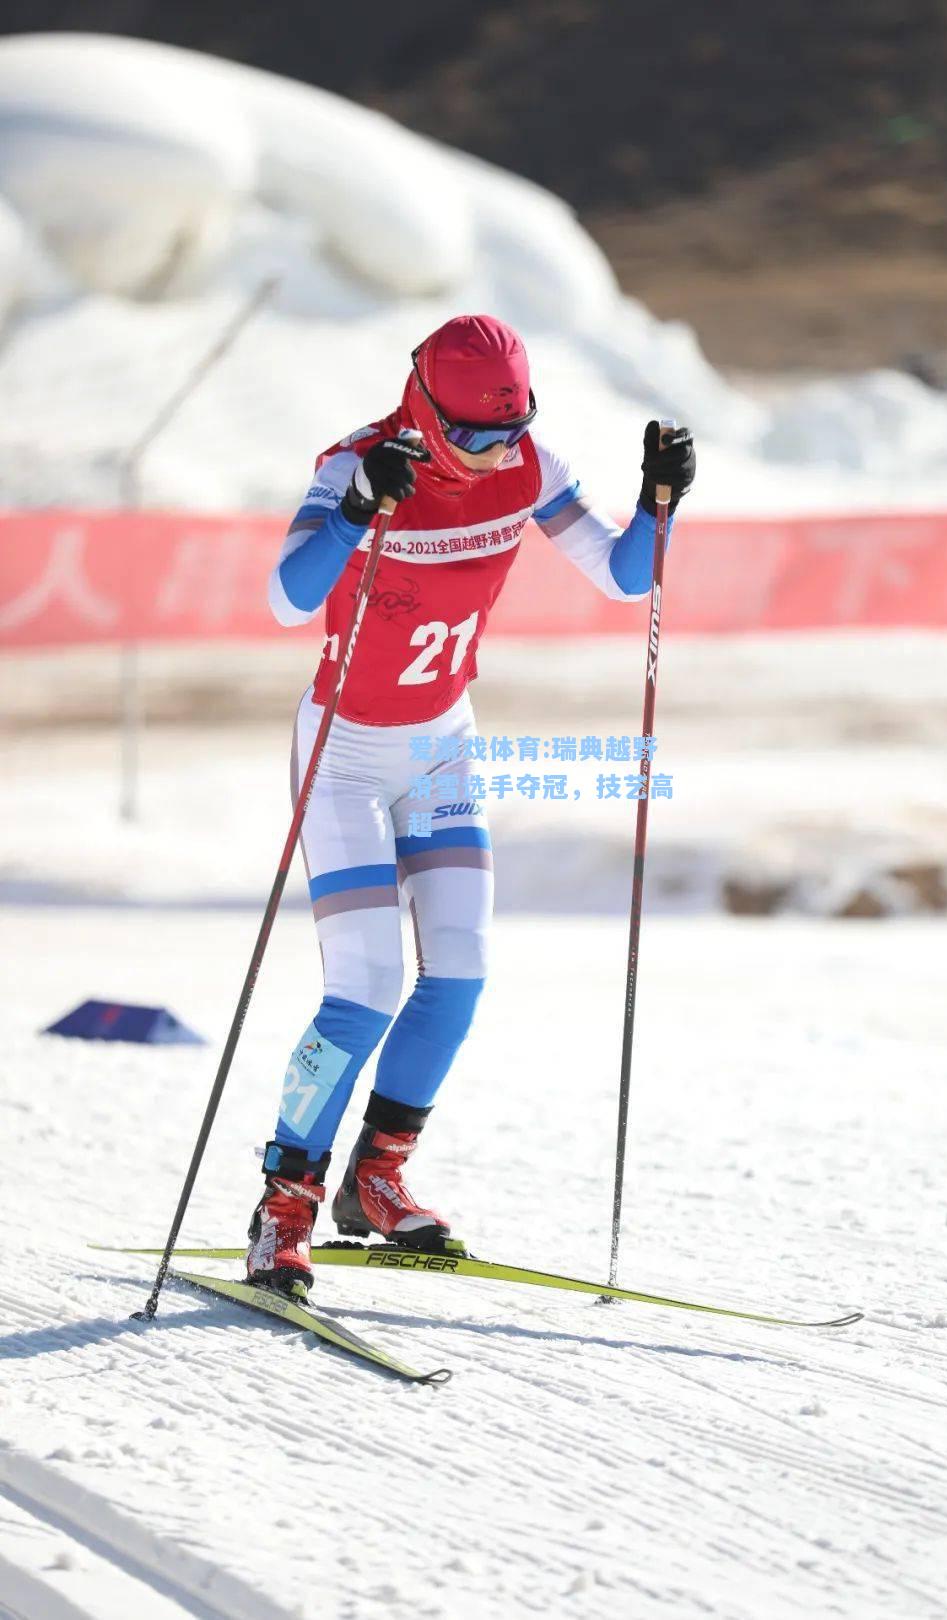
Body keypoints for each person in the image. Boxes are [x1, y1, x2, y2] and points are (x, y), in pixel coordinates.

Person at [246, 313, 696, 1297]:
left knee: (458, 974)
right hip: (346, 756)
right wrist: (359, 512)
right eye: (478, 434)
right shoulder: (357, 463)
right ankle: (286, 1203)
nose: (497, 449)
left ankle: (377, 1179)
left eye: (513, 427)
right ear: (427, 405)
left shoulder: (528, 463)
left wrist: (659, 502)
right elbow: (285, 598)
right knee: (363, 988)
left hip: (444, 745)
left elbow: (624, 577)